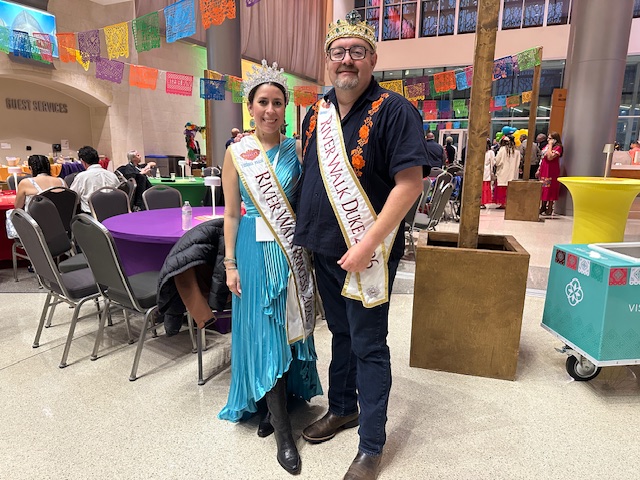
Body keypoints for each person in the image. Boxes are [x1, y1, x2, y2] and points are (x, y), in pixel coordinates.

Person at [293, 10, 427, 480]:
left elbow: (410, 183)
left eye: (356, 52)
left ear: (373, 58)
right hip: (323, 246)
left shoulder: (395, 109)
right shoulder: (318, 110)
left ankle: (371, 444)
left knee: (369, 345)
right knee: (342, 336)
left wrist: (368, 242)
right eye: (338, 52)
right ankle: (342, 407)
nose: (346, 60)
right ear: (327, 60)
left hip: (369, 252)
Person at [219, 60, 322, 476]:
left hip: (288, 251)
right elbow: (229, 214)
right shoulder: (236, 153)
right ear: (250, 106)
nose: (270, 110)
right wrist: (229, 263)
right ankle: (283, 434)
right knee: (264, 331)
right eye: (263, 101)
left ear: (285, 108)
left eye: (277, 102)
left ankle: (275, 404)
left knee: (286, 327)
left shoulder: (297, 149)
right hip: (249, 250)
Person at [70, 146, 120, 213]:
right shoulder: (112, 175)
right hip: (113, 215)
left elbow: (73, 199)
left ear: (82, 162)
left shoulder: (81, 177)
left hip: (91, 218)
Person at [537, 131, 563, 216]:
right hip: (544, 169)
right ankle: (543, 206)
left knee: (550, 188)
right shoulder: (546, 147)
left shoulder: (558, 147)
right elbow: (542, 158)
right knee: (543, 187)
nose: (548, 140)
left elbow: (550, 157)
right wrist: (539, 169)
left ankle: (550, 207)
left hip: (551, 170)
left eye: (550, 138)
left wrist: (551, 146)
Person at [493, 135, 519, 209]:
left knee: (502, 188)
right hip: (513, 172)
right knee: (510, 188)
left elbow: (497, 161)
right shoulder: (517, 151)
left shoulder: (502, 150)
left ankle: (503, 203)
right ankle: (509, 203)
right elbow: (518, 164)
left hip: (503, 172)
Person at [481, 139, 496, 209]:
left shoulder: (480, 151)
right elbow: (493, 162)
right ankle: (484, 201)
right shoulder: (491, 152)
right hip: (487, 171)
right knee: (486, 186)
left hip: (480, 170)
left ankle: (480, 201)